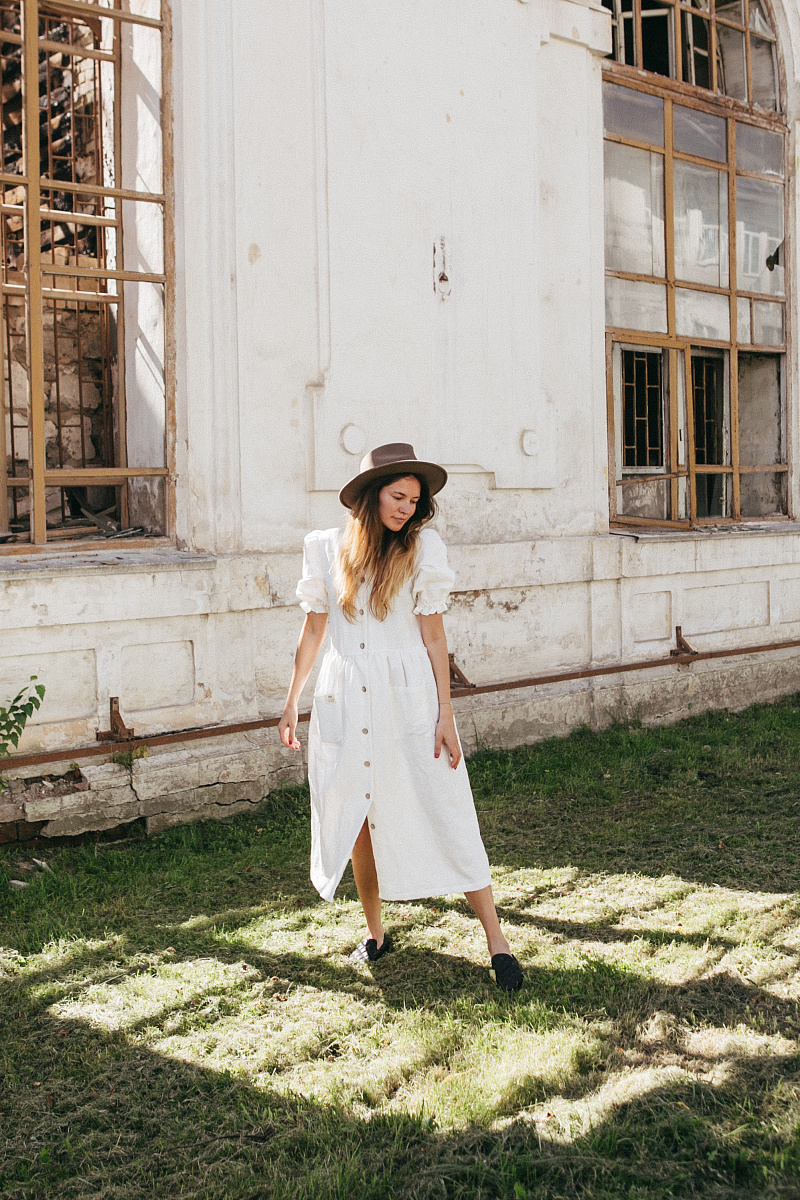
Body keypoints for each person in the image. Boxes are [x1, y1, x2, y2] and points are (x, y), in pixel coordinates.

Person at [278, 443, 523, 992]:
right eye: (397, 497)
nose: (407, 509)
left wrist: (445, 714)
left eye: (414, 500)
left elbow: (434, 638)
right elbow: (314, 630)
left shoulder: (423, 550)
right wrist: (292, 700)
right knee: (359, 820)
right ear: (371, 496)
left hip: (408, 698)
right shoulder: (324, 549)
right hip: (345, 698)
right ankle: (376, 933)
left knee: (448, 807)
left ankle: (497, 942)